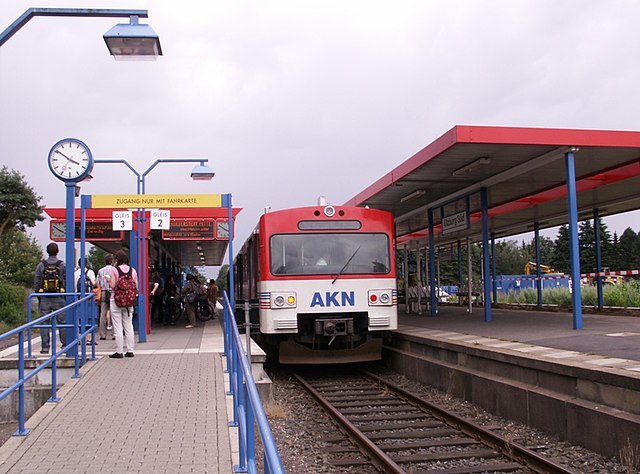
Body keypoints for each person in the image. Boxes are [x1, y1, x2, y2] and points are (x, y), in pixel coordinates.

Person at [33, 242, 66, 354]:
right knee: (63, 322)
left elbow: (36, 282)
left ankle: (45, 347)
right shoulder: (62, 265)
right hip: (59, 297)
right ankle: (65, 345)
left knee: (44, 323)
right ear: (57, 252)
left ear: (47, 252)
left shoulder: (41, 265)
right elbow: (66, 281)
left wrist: (39, 296)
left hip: (45, 297)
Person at [108, 249, 138, 358]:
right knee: (128, 325)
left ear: (117, 259)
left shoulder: (114, 270)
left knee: (118, 327)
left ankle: (119, 351)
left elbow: (112, 285)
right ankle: (130, 350)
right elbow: (136, 286)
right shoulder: (133, 271)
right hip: (129, 302)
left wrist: (109, 280)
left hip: (116, 300)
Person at [97, 253, 115, 341]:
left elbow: (98, 283)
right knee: (114, 313)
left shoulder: (100, 271)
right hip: (112, 292)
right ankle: (114, 334)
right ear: (112, 261)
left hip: (104, 292)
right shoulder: (114, 270)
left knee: (102, 314)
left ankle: (102, 334)